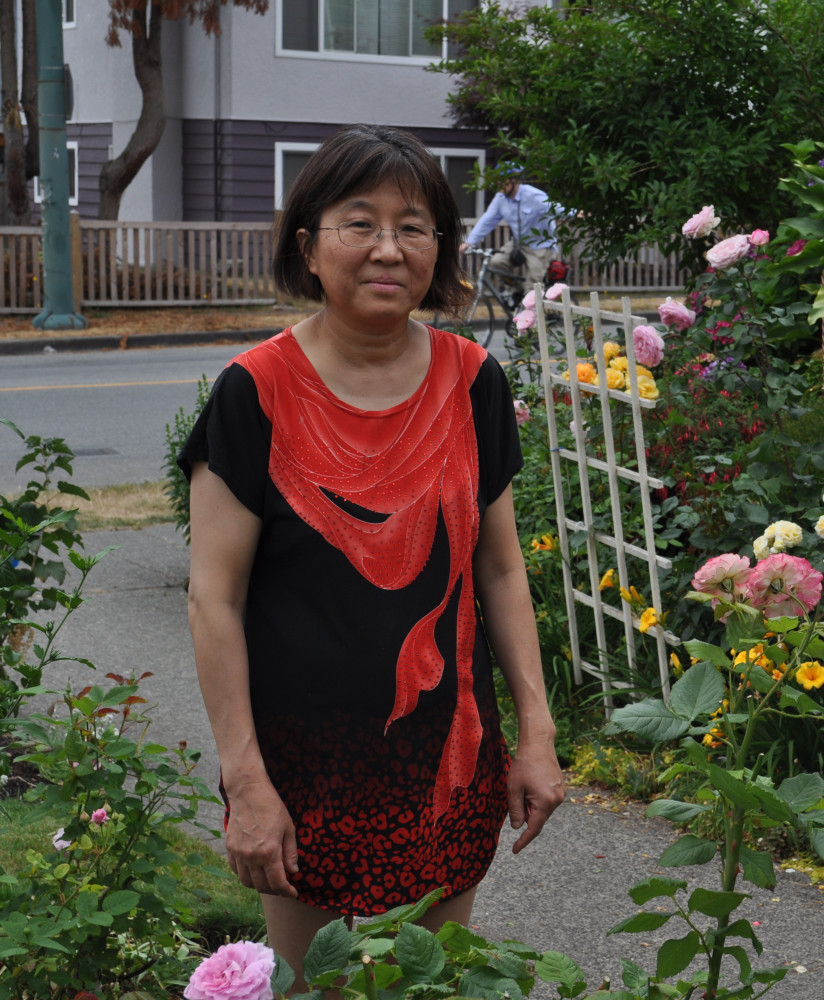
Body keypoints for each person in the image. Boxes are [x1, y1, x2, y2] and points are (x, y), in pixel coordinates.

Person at [180, 124, 564, 990]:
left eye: (415, 225)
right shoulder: (255, 393)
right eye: (360, 223)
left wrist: (537, 733)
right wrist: (245, 783)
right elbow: (215, 601)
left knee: (422, 985)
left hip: (446, 757)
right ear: (309, 247)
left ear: (440, 247)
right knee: (308, 985)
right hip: (299, 767)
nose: (389, 247)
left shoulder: (473, 382)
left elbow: (499, 570)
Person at [458, 165, 566, 292]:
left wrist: (577, 213)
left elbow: (555, 208)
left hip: (541, 247)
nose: (499, 185)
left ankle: (532, 306)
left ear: (514, 181)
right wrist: (469, 242)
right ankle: (518, 293)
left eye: (502, 181)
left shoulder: (532, 195)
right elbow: (487, 220)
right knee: (496, 263)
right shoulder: (500, 198)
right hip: (519, 244)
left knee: (533, 287)